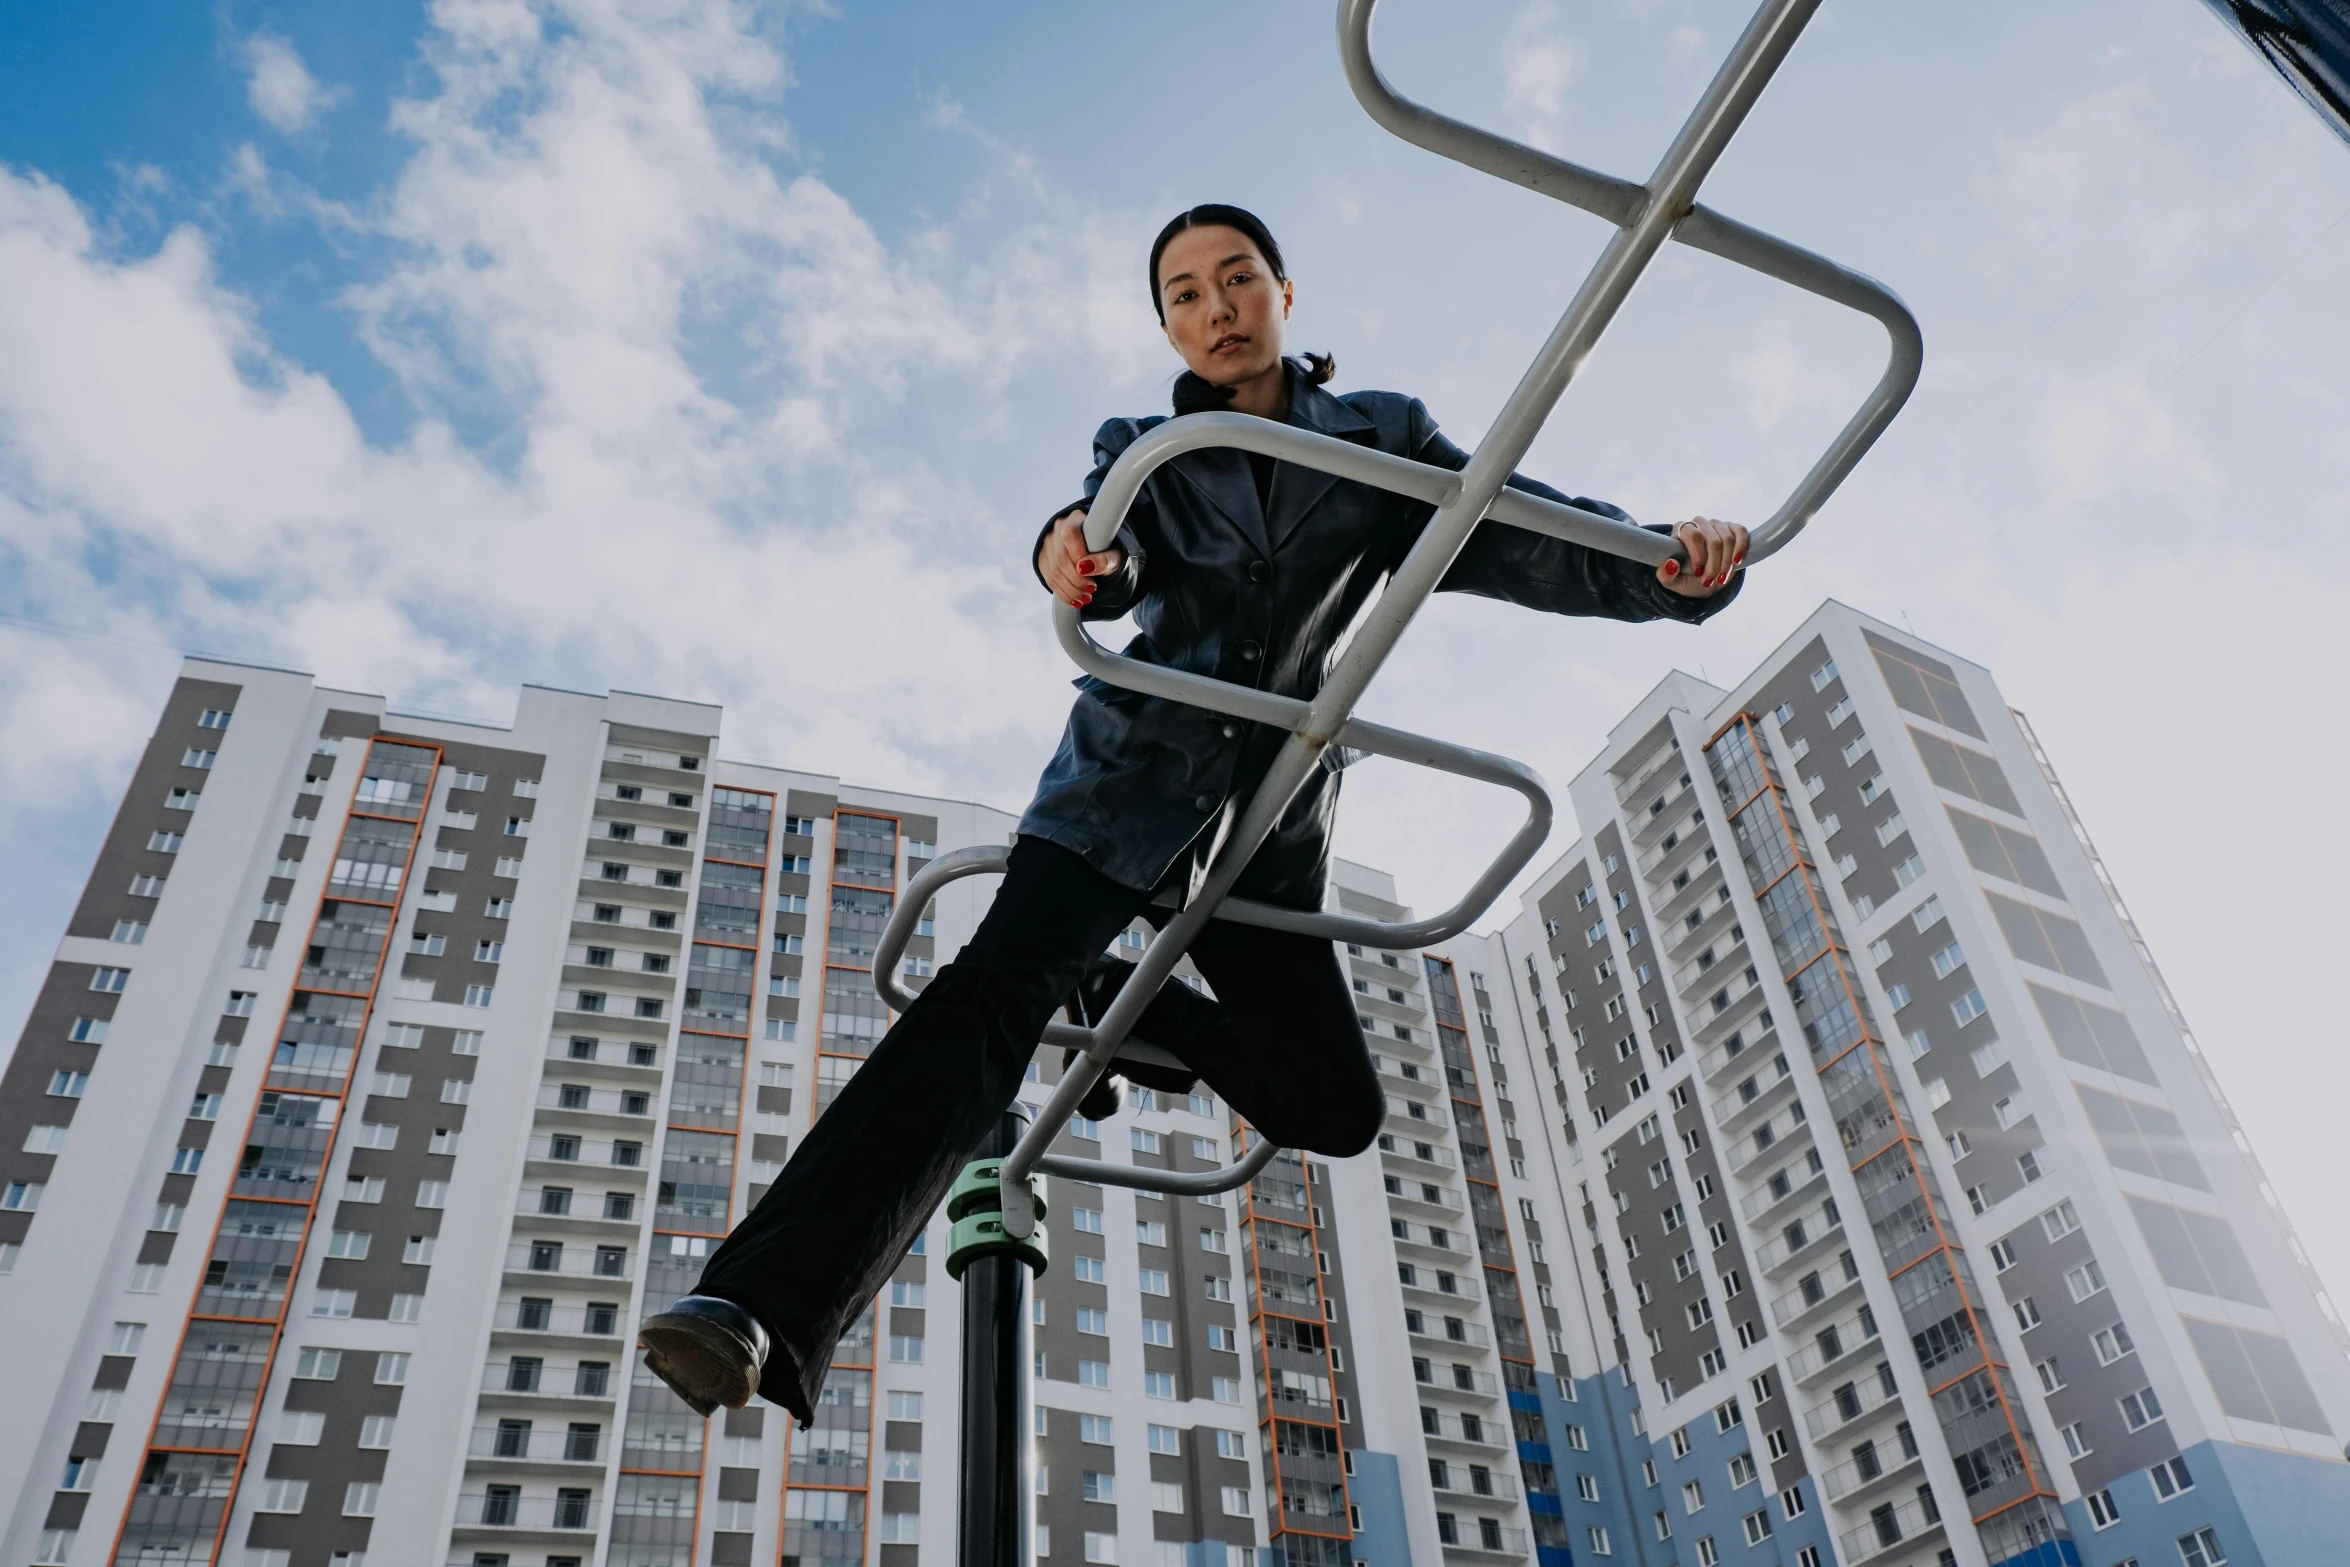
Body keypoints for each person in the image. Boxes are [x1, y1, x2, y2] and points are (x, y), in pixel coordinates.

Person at [638, 203, 1747, 1422]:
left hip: (1267, 821)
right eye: (1184, 293)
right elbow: (1099, 552)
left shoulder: (1378, 436)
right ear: (1163, 322)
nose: (1215, 309)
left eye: (1236, 280)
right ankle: (757, 1305)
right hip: (1129, 787)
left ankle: (1116, 990)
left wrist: (1667, 564)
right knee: (987, 997)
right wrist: (1076, 556)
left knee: (1335, 1106)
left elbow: (1517, 532)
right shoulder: (1147, 449)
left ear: (1285, 292)